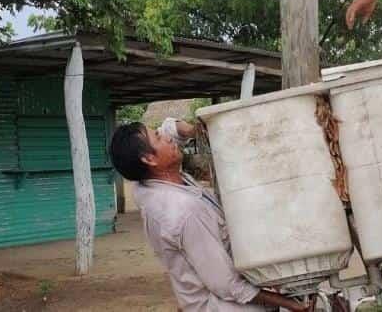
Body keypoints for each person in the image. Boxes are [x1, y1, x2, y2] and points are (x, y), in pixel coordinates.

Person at [109, 119, 312, 312]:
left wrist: (189, 129)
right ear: (149, 159)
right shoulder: (185, 212)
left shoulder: (144, 186)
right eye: (158, 137)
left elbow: (171, 131)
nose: (167, 137)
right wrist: (290, 304)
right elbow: (226, 284)